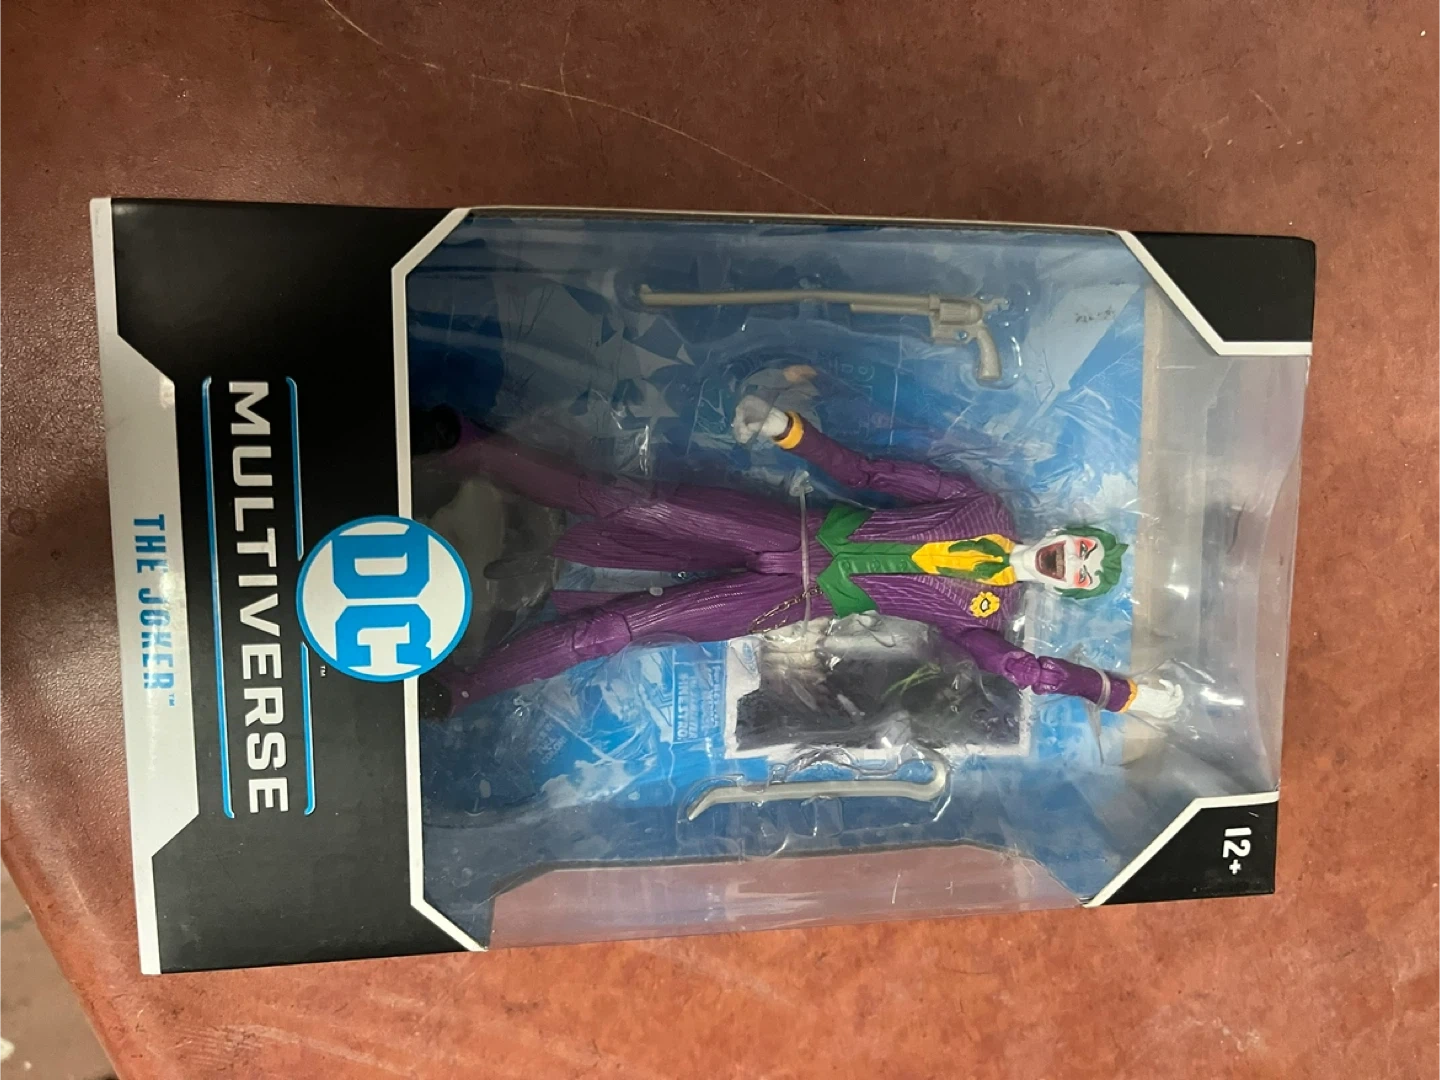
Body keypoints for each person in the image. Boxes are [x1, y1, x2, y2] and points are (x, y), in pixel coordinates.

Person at [416, 397, 1183, 722]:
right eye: (1082, 551)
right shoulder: (979, 505)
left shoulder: (989, 614)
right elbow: (870, 473)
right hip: (787, 530)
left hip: (794, 603)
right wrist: (792, 431)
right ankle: (473, 447)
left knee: (617, 629)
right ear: (1070, 532)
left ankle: (467, 685)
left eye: (1081, 577)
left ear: (1068, 590)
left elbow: (1023, 671)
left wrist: (1117, 692)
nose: (1070, 565)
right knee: (623, 501)